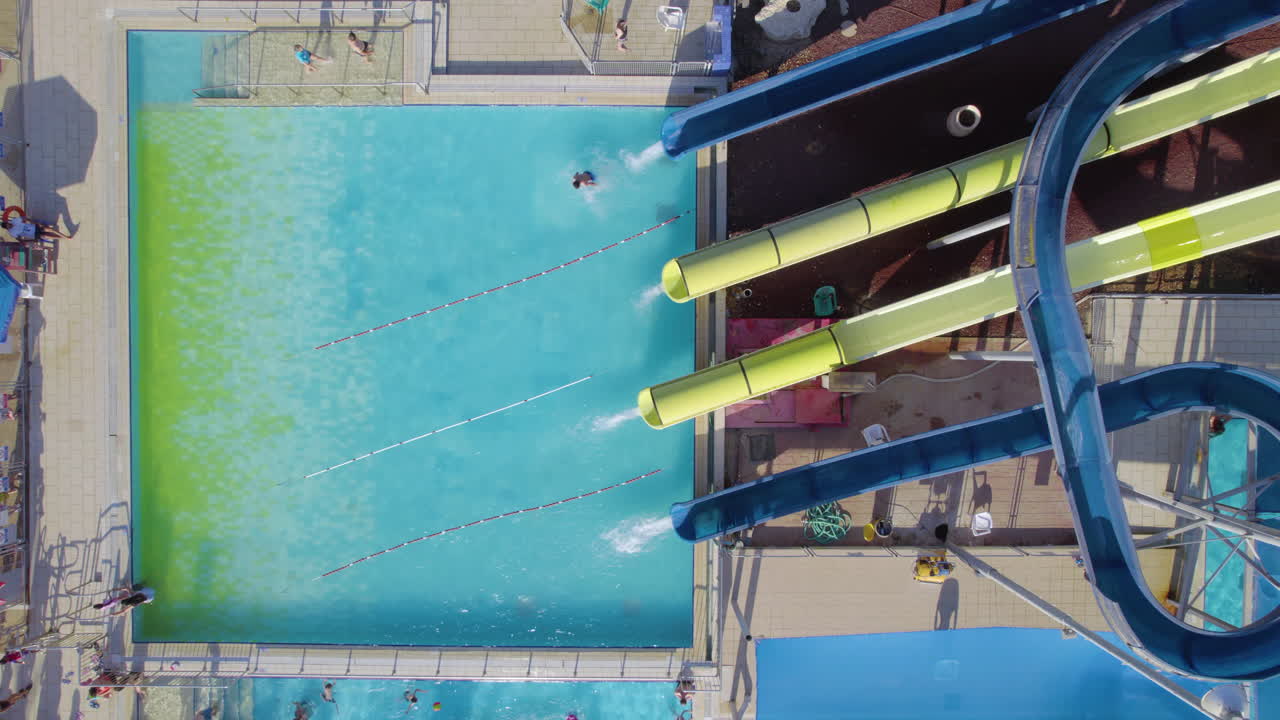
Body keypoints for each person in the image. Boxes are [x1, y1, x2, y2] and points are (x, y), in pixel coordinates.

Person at [2, 215, 67, 241]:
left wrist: (34, 222)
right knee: (46, 235)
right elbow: (19, 239)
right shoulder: (12, 232)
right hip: (33, 235)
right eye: (9, 226)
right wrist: (31, 240)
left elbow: (25, 218)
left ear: (8, 222)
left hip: (34, 227)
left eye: (9, 224)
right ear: (7, 228)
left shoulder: (14, 221)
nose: (10, 225)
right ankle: (62, 237)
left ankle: (65, 236)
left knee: (50, 230)